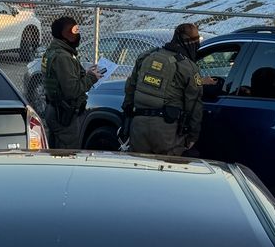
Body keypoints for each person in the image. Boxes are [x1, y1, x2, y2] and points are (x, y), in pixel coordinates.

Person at [121, 23, 203, 156]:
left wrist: (127, 118)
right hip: (167, 132)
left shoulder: (147, 56)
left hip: (138, 127)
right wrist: (192, 136)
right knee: (167, 170)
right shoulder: (188, 67)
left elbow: (130, 88)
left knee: (138, 168)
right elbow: (194, 105)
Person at [41, 16, 102, 148]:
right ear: (65, 35)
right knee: (68, 155)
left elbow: (61, 80)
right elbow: (72, 90)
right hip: (65, 115)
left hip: (56, 110)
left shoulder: (53, 51)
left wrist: (84, 73)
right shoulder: (63, 57)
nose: (78, 35)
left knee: (56, 151)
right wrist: (91, 78)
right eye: (74, 31)